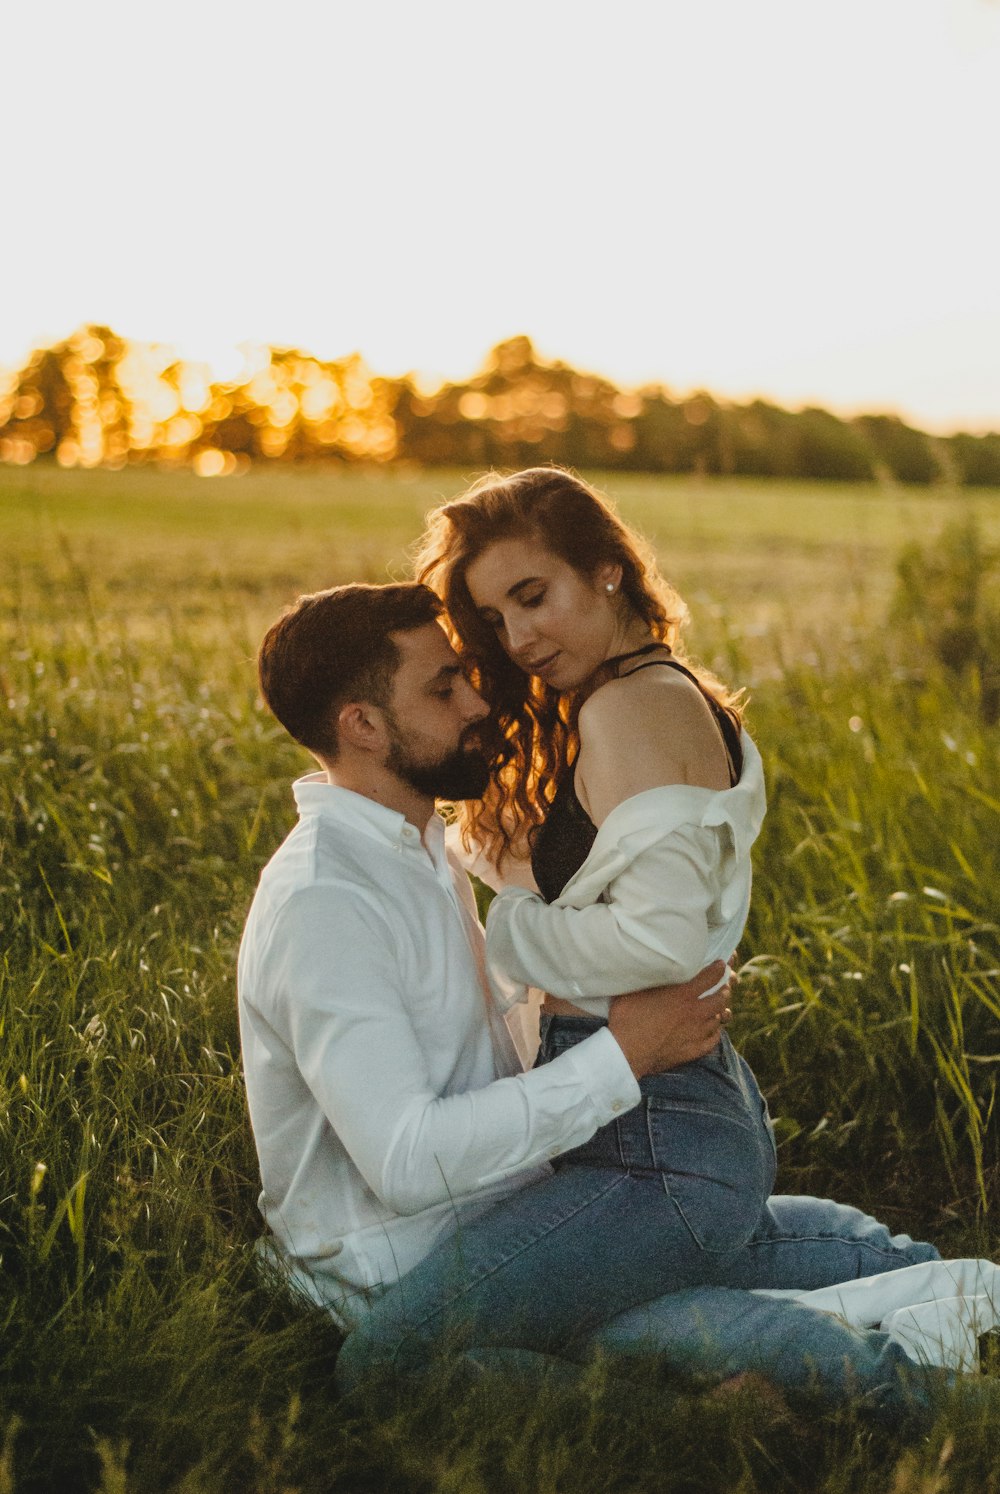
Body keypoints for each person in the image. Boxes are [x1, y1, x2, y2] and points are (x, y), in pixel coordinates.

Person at [238, 578, 995, 1422]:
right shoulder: (326, 901)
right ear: (364, 726)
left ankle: (967, 1296)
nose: (478, 700)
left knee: (754, 1231)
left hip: (516, 1203)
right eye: (444, 688)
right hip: (404, 1260)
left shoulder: (416, 845)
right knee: (396, 1371)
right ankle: (893, 1412)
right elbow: (408, 1163)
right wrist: (626, 1055)